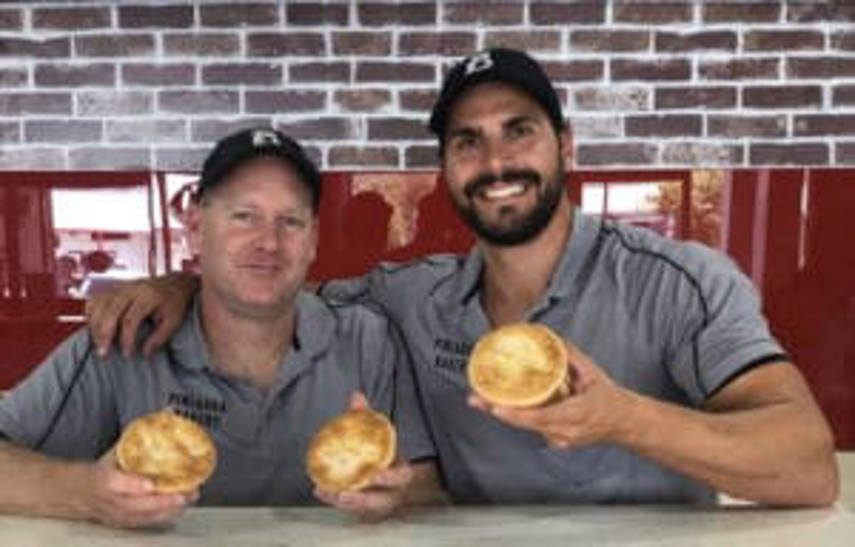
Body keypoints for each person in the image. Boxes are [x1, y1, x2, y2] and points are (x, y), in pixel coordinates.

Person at [85, 49, 839, 507]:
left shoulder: (680, 282)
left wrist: (622, 418)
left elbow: (808, 465)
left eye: (519, 130)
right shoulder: (414, 296)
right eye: (467, 142)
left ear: (564, 147)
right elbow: (271, 291)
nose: (496, 162)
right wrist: (182, 286)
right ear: (446, 168)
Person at [0, 127, 438, 528]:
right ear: (194, 227)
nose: (268, 241)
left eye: (290, 221)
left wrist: (393, 494)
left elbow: (424, 485)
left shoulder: (367, 338)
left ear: (313, 241)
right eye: (244, 216)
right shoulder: (122, 339)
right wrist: (85, 494)